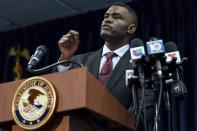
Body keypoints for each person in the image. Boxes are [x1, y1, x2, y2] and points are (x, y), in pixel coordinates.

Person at [57, 3, 155, 131]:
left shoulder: (143, 65)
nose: (107, 20)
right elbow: (60, 98)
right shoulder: (78, 61)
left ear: (130, 28)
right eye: (106, 16)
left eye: (116, 17)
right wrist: (65, 59)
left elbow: (142, 115)